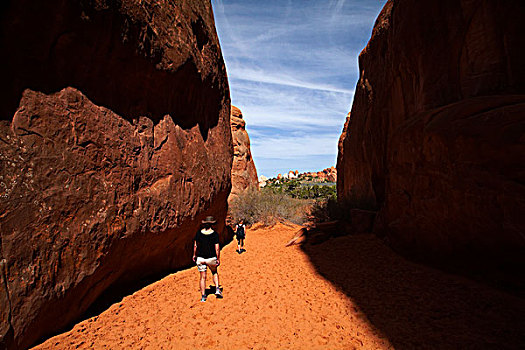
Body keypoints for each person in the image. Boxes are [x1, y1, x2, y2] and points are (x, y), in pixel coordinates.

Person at [193, 216, 223, 302]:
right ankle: (217, 289)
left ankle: (203, 296)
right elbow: (217, 248)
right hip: (211, 258)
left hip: (200, 258)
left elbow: (195, 246)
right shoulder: (214, 234)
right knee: (214, 272)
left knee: (203, 277)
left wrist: (194, 255)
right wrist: (218, 258)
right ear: (212, 224)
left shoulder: (198, 233)